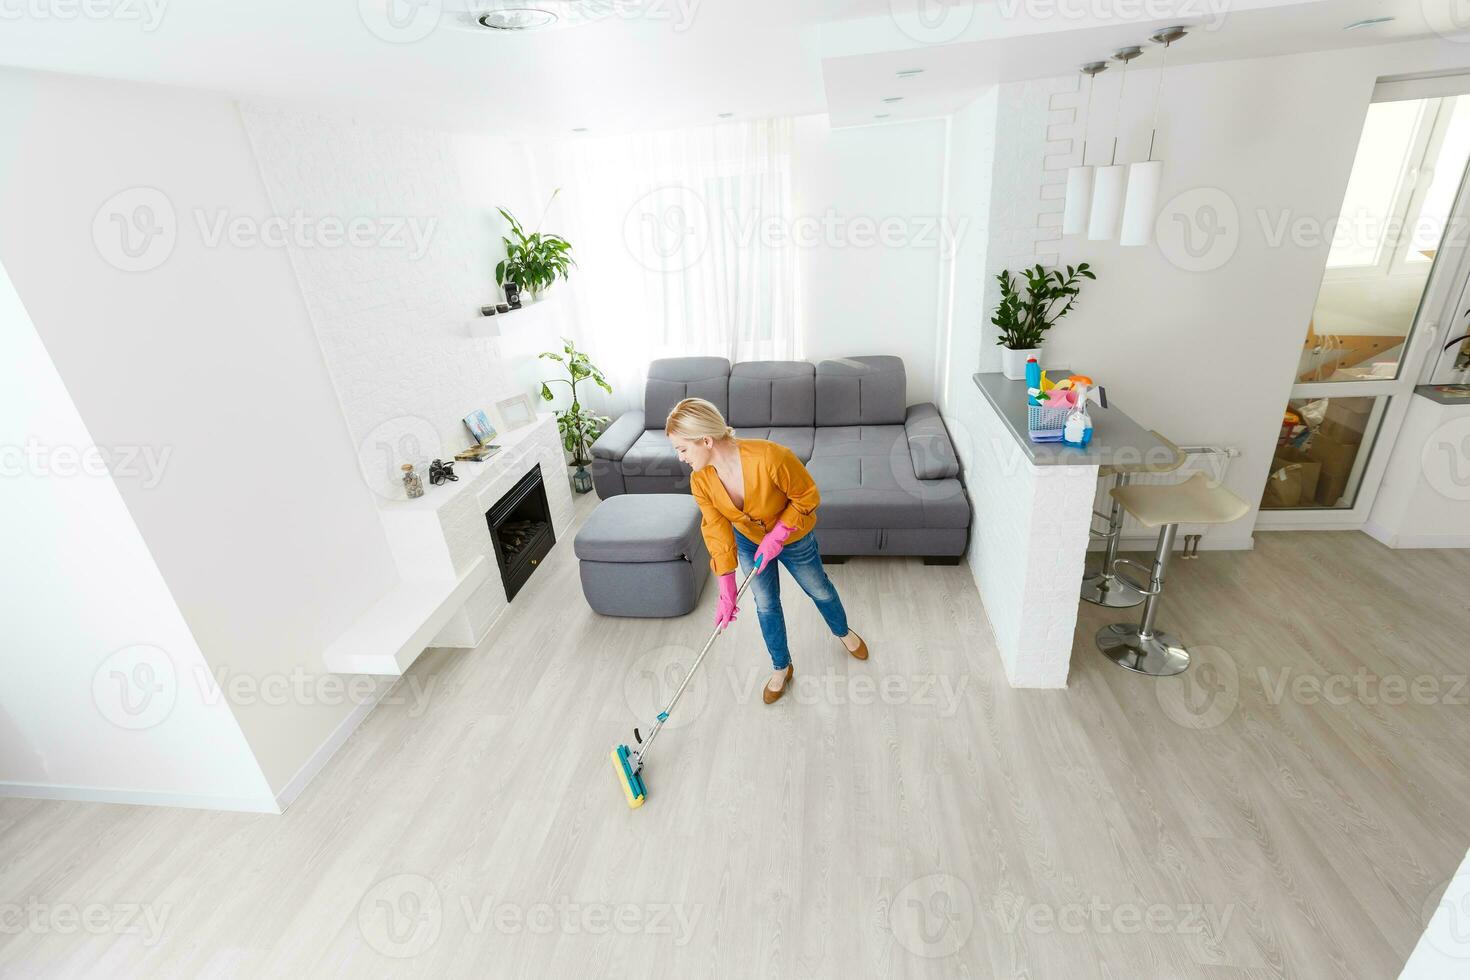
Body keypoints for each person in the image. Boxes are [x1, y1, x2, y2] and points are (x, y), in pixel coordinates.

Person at [664, 397, 868, 704]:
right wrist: (726, 585)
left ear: (706, 440)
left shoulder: (770, 457)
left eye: (682, 449)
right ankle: (781, 666)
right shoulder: (700, 480)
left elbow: (807, 496)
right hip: (748, 541)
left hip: (794, 538)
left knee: (819, 589)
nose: (680, 458)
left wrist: (781, 532)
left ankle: (843, 632)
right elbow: (716, 527)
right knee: (765, 604)